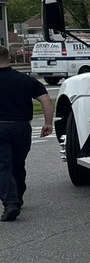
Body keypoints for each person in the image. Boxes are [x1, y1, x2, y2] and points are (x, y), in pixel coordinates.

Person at [0, 44, 53, 221]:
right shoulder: (25, 79)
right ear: (9, 59)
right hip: (22, 127)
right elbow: (45, 99)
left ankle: (11, 203)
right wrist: (47, 123)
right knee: (18, 163)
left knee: (3, 166)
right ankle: (18, 196)